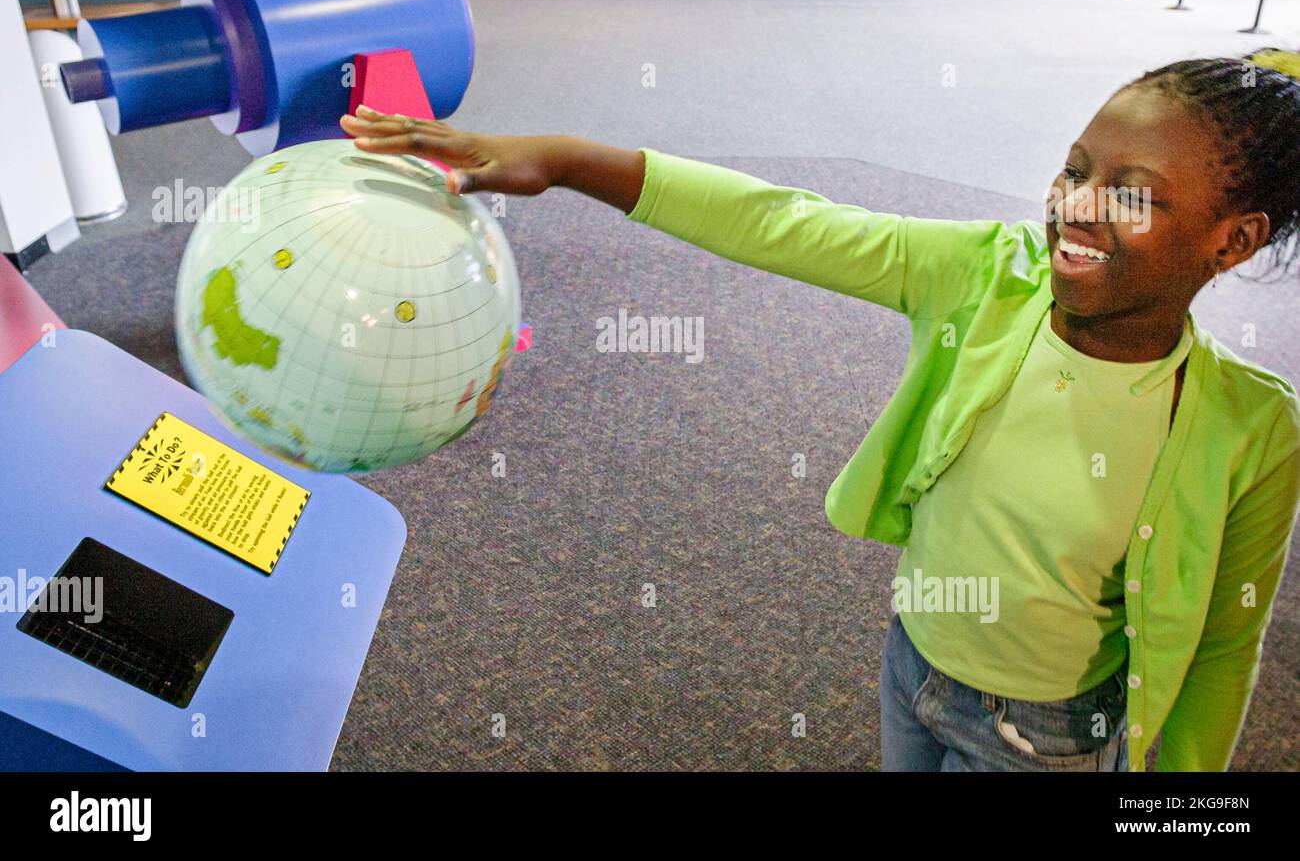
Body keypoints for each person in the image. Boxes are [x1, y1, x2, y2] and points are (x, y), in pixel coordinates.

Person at [340, 49, 1300, 771]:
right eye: (1076, 169)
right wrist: (558, 158)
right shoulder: (985, 276)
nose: (1076, 207)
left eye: (1131, 196)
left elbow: (1224, 638)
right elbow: (783, 222)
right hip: (913, 658)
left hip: (1046, 733)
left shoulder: (1249, 427)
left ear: (1233, 240)